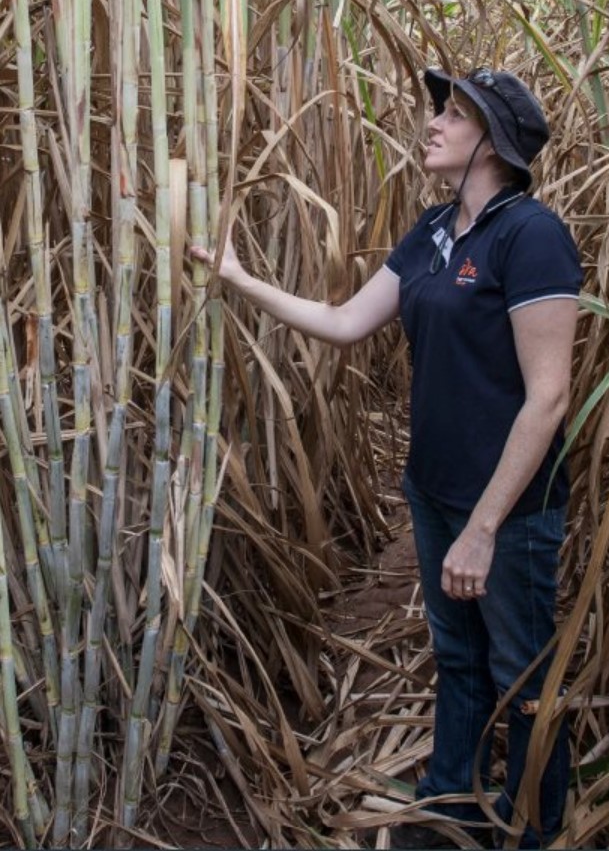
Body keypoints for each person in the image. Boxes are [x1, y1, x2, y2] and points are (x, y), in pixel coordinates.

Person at [192, 67, 582, 849]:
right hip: (433, 489)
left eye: (453, 113)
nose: (432, 122)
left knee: (521, 670)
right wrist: (239, 281)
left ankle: (538, 825)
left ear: (493, 145)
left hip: (504, 508)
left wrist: (483, 526)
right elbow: (342, 322)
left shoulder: (530, 235)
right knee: (457, 652)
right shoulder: (435, 231)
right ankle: (450, 803)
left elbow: (547, 398)